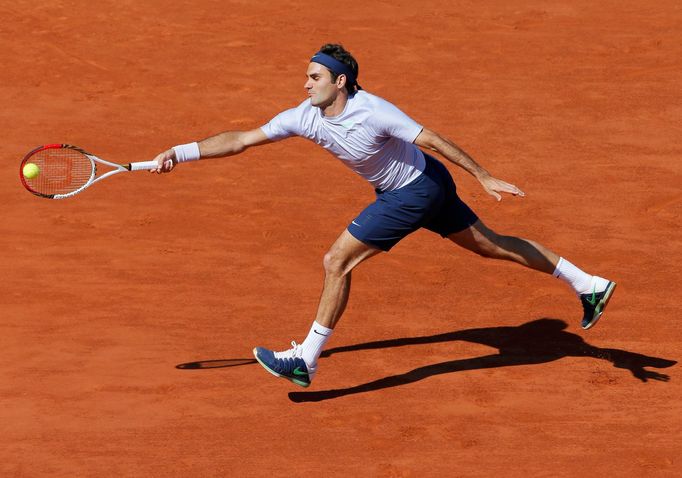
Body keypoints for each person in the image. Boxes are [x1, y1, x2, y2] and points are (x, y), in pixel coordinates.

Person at [151, 43, 616, 388]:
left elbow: (431, 138)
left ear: (340, 82)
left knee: (337, 261)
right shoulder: (303, 116)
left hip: (411, 192)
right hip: (424, 185)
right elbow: (241, 139)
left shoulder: (373, 112)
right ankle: (587, 283)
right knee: (491, 245)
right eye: (307, 76)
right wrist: (182, 151)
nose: (305, 84)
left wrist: (484, 176)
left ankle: (306, 359)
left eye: (315, 77)